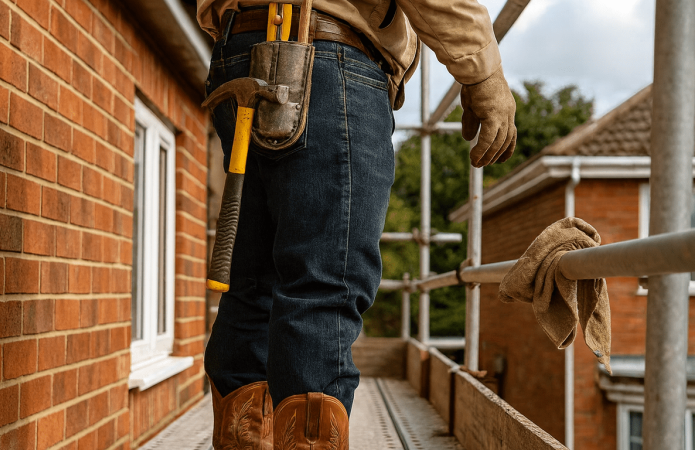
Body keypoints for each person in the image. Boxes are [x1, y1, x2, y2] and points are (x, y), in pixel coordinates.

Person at [196, 0, 517, 448]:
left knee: (252, 286)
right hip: (330, 54)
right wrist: (483, 70)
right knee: (326, 285)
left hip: (238, 49)